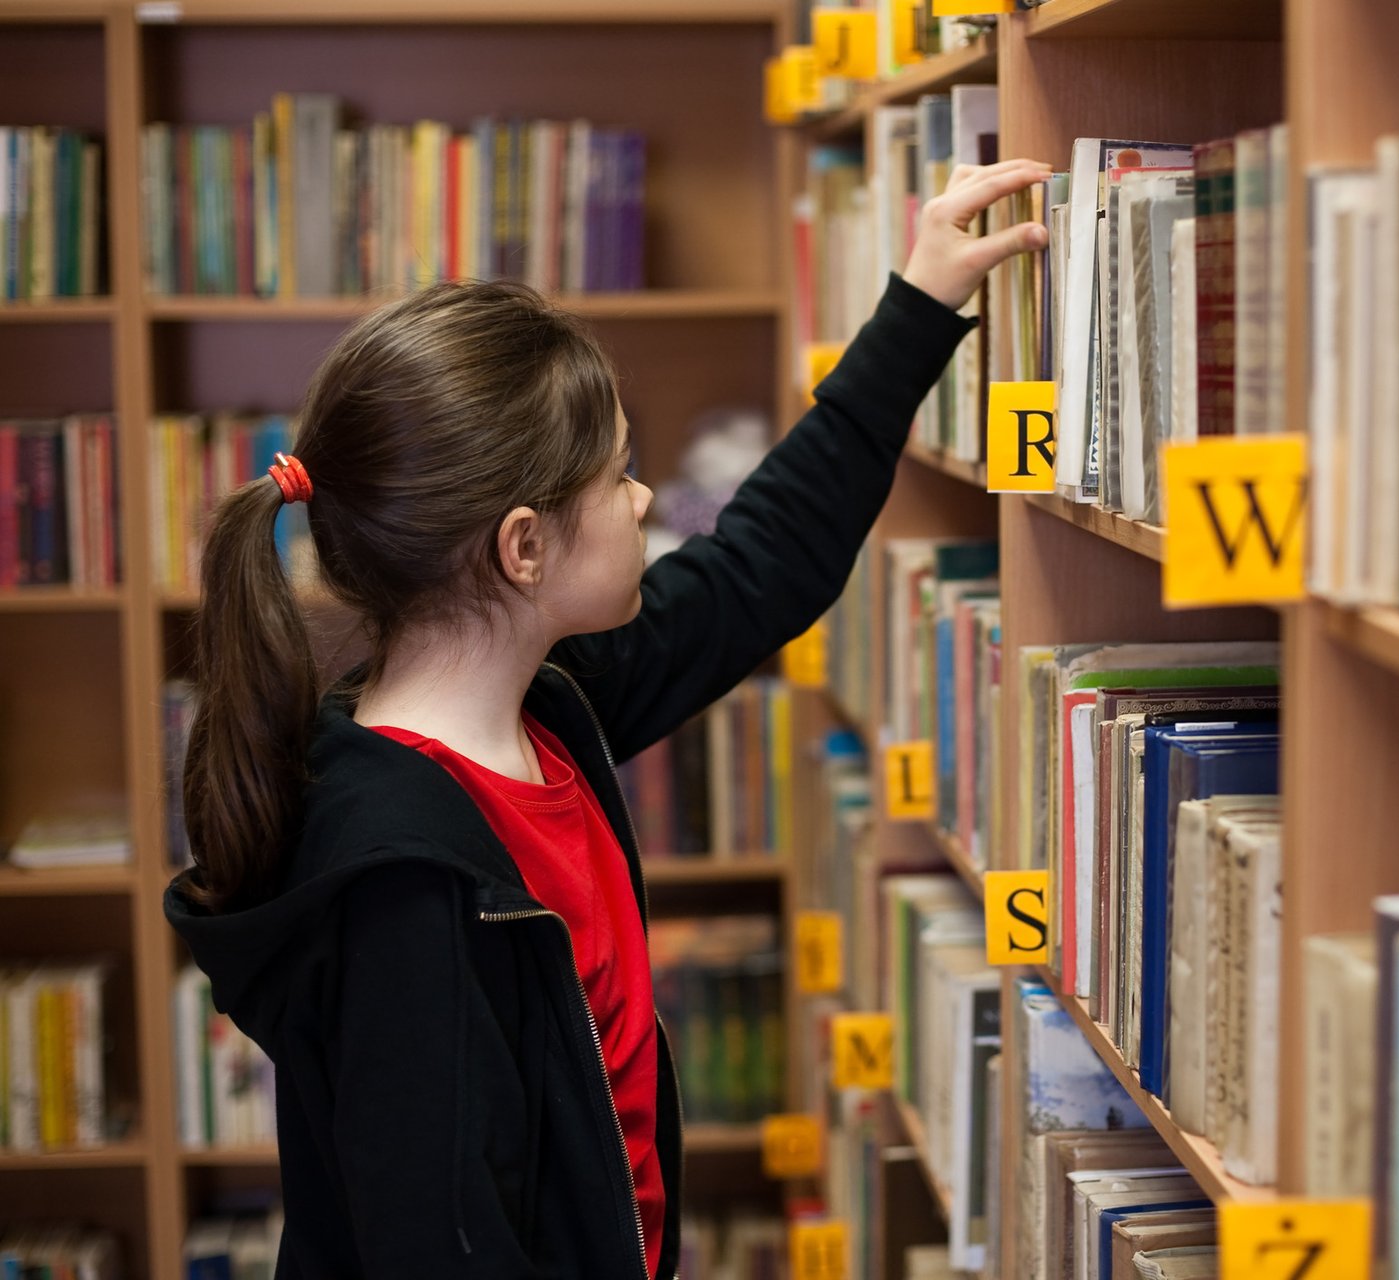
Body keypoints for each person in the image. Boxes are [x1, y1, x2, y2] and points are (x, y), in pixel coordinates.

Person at [165, 157, 1051, 1279]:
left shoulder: (544, 705)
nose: (644, 499)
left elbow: (754, 570)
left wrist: (917, 309)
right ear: (524, 547)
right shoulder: (405, 886)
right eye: (619, 474)